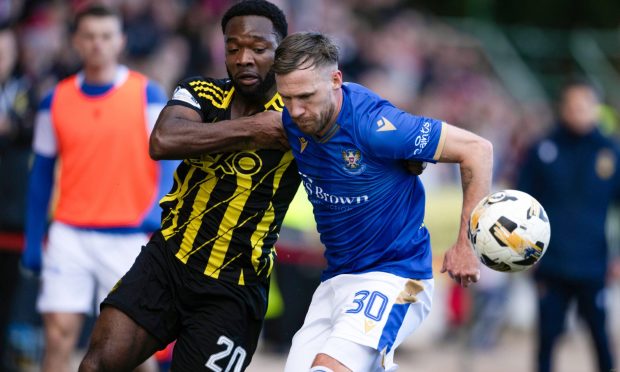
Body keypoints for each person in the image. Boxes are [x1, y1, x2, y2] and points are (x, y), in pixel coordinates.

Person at [78, 1, 299, 371]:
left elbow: (360, 132)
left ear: (280, 50)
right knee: (95, 365)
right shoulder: (202, 91)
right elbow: (163, 140)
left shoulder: (298, 115)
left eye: (258, 49)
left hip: (233, 287)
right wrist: (255, 129)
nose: (244, 58)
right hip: (167, 261)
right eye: (233, 47)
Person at [273, 32, 494, 372]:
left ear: (335, 80)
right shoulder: (293, 119)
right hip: (335, 280)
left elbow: (478, 150)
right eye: (286, 98)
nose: (295, 110)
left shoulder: (374, 125)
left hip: (395, 276)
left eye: (305, 96)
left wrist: (467, 243)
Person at [22, 5, 175, 372]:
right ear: (76, 41)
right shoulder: (54, 100)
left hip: (127, 237)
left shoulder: (147, 95)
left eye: (106, 36)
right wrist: (32, 239)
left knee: (131, 348)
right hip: (68, 233)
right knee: (57, 336)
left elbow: (170, 159)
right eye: (89, 36)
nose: (97, 44)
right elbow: (41, 174)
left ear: (119, 41)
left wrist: (158, 208)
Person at [518, 79, 619, 372]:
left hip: (594, 263)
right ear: (562, 108)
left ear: (595, 109)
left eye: (584, 106)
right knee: (548, 337)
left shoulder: (610, 151)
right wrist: (525, 254)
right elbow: (521, 203)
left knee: (600, 337)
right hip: (550, 263)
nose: (577, 112)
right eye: (571, 106)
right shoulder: (542, 148)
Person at [0, 22, 36, 369]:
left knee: (10, 299)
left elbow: (28, 127)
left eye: (6, 53)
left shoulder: (26, 89)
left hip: (11, 217)